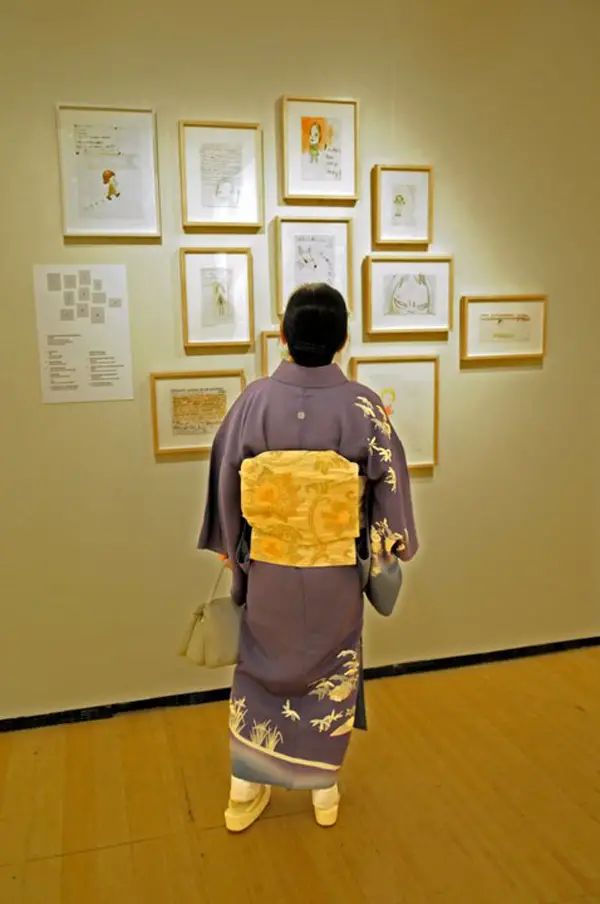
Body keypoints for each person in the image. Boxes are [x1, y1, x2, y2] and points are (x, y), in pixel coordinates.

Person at [198, 283, 418, 833]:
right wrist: (389, 546)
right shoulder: (364, 405)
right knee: (329, 671)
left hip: (270, 569)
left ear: (282, 337)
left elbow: (227, 473)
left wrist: (233, 547)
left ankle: (243, 792)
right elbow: (389, 484)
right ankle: (323, 792)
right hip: (334, 575)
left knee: (258, 671)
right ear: (344, 340)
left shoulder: (253, 401)